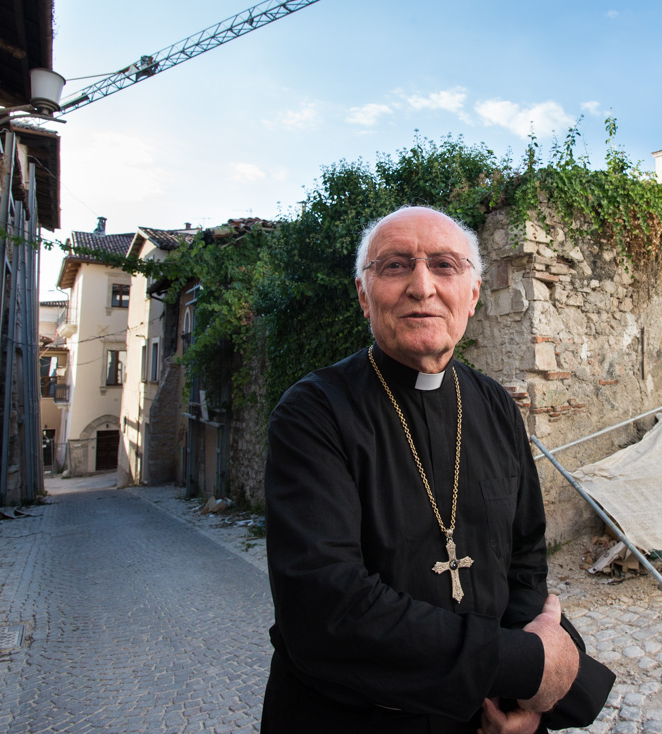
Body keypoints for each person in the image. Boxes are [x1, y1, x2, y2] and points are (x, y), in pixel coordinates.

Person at [262, 206, 614, 733]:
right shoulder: (313, 413)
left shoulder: (495, 406)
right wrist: (525, 665)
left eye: (445, 266)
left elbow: (524, 560)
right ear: (364, 294)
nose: (422, 286)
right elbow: (327, 608)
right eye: (396, 266)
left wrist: (525, 707)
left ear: (471, 296)